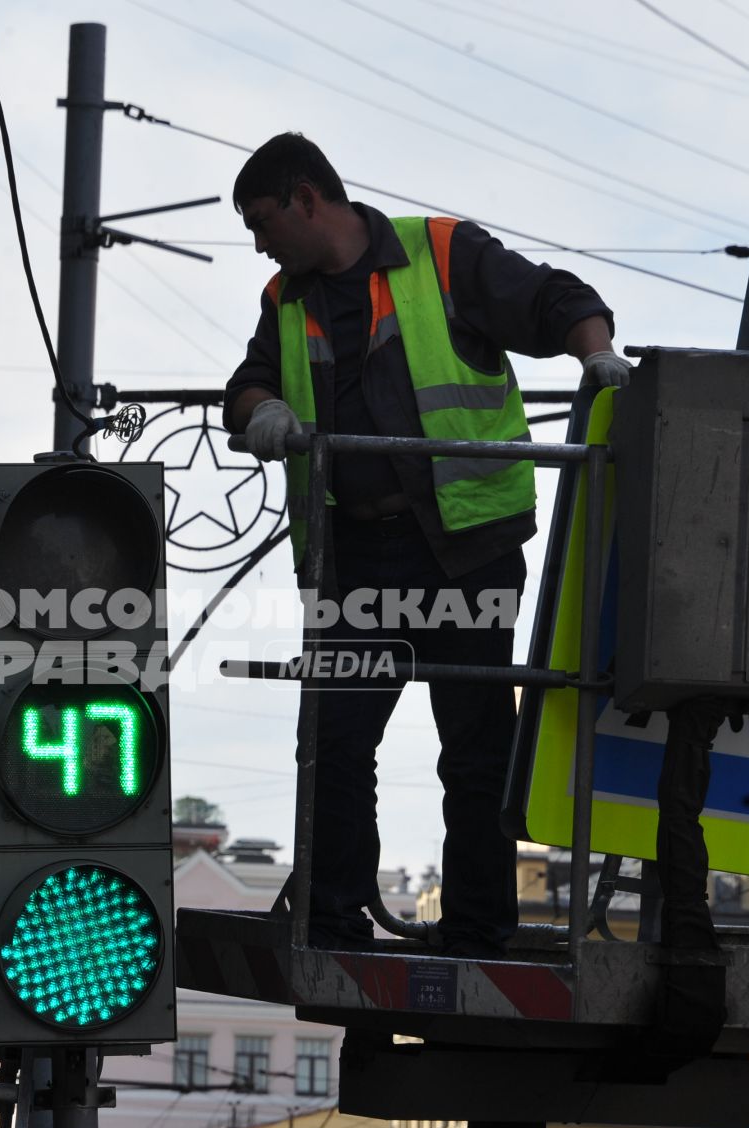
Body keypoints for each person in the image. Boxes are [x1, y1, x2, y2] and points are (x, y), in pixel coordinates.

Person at [224, 133, 630, 957]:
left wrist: (600, 358)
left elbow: (558, 299)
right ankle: (333, 915)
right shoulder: (286, 298)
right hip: (357, 558)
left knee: (476, 747)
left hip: (465, 544)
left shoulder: (437, 253)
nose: (258, 242)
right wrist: (258, 410)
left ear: (308, 198)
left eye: (263, 221)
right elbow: (248, 384)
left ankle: (479, 925)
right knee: (335, 741)